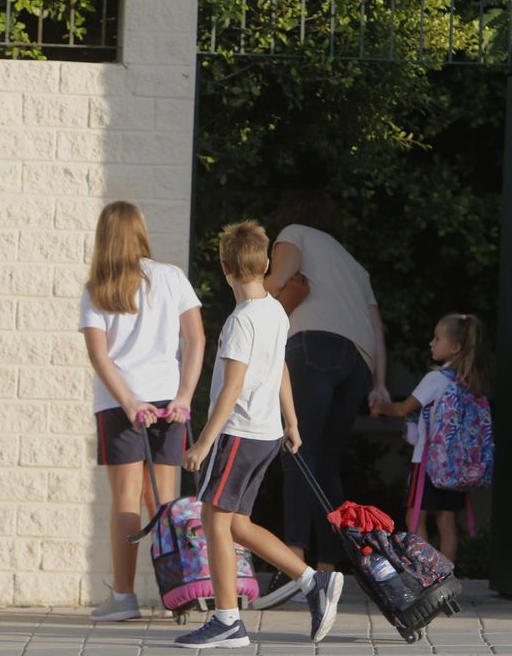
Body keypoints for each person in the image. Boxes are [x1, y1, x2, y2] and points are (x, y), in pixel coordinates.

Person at [176, 220, 343, 649]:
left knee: (213, 518)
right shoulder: (273, 311)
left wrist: (203, 442)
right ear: (267, 263)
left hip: (238, 433)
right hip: (266, 434)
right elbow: (280, 367)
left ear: (224, 266)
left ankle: (228, 620)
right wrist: (291, 421)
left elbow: (232, 388)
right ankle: (312, 581)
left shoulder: (240, 322)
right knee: (237, 523)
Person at [259, 190, 390, 604]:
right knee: (326, 464)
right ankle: (329, 570)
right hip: (359, 362)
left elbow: (276, 283)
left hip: (314, 344)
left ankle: (293, 567)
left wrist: (258, 289)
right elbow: (376, 327)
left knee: (297, 451)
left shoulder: (294, 233)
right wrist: (380, 382)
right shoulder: (354, 264)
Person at [80, 201, 206, 622]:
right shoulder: (171, 278)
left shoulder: (98, 287)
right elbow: (196, 340)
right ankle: (178, 591)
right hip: (170, 403)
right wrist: (184, 396)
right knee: (165, 501)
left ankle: (123, 597)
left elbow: (99, 356)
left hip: (121, 404)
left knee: (126, 500)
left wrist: (130, 402)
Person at [369, 313, 490, 562]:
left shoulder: (436, 379)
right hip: (458, 465)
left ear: (455, 347)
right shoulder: (470, 382)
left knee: (415, 517)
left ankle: (423, 573)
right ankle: (446, 577)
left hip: (427, 462)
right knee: (446, 520)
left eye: (437, 338)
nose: (431, 343)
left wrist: (380, 407)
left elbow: (404, 409)